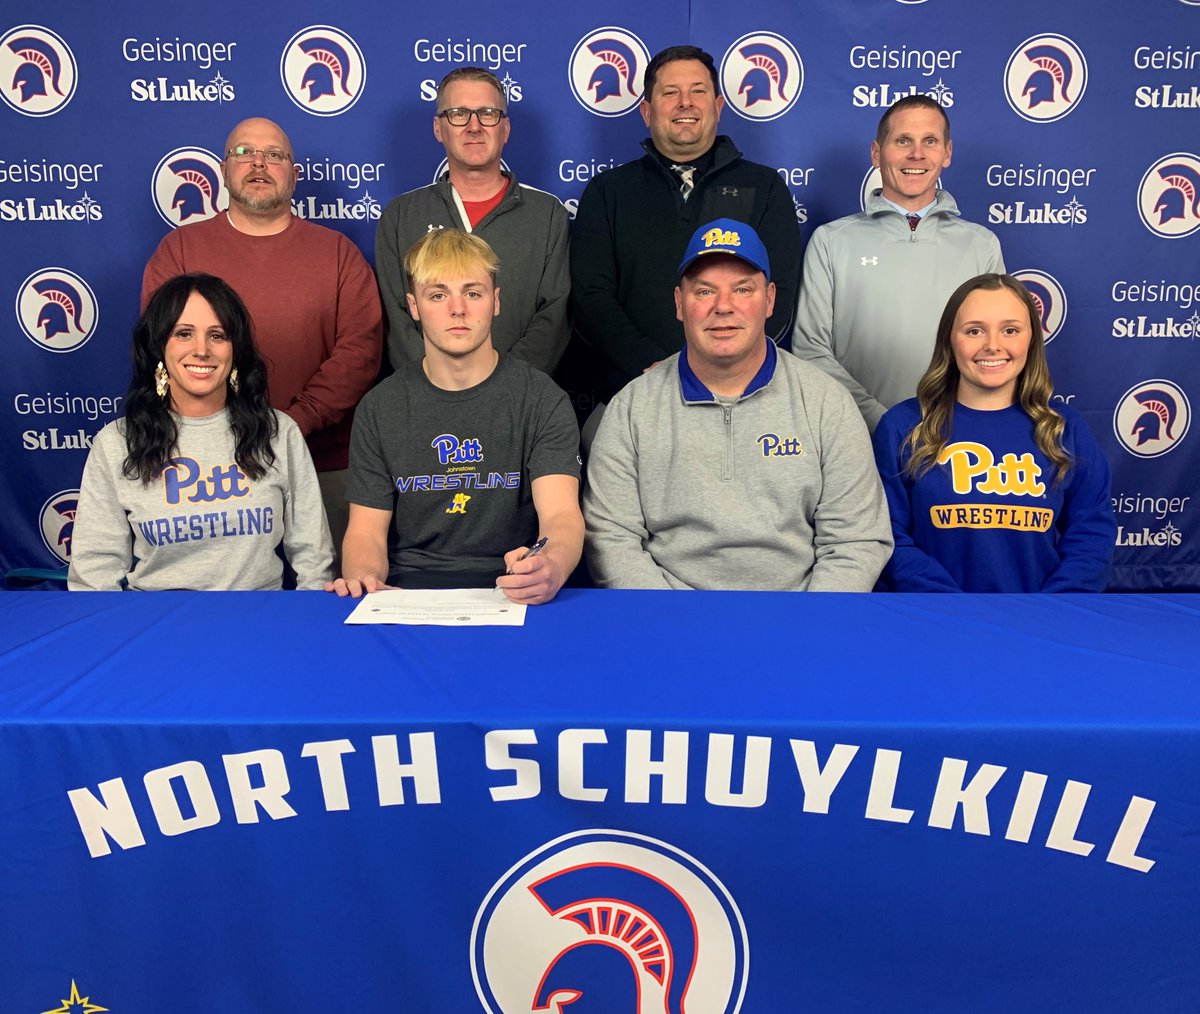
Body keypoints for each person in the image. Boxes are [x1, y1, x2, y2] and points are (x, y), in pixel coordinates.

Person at [583, 219, 892, 591]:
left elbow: (856, 540)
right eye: (704, 292)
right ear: (680, 303)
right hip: (670, 613)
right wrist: (670, 616)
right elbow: (610, 537)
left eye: (743, 289)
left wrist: (807, 618)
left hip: (797, 613)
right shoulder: (632, 407)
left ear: (770, 300)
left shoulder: (827, 403)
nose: (723, 307)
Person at [142, 116, 382, 556]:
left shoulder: (338, 253)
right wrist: (226, 435)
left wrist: (291, 425)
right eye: (244, 153)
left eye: (274, 155)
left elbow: (359, 351)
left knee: (330, 589)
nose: (258, 163)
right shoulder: (180, 251)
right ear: (223, 169)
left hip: (323, 464)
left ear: (294, 173)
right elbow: (163, 346)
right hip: (206, 472)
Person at [327, 229, 583, 603]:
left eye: (473, 293)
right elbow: (365, 532)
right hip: (408, 590)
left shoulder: (542, 398)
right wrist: (365, 579)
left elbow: (562, 517)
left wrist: (551, 565)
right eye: (438, 295)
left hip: (512, 587)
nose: (458, 309)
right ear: (413, 306)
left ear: (496, 301)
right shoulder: (380, 407)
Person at [68, 274, 334, 591]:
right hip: (156, 618)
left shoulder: (278, 432)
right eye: (184, 334)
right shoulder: (116, 442)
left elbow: (314, 560)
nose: (202, 350)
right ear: (159, 347)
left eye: (217, 336)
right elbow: (94, 572)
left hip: (258, 615)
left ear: (235, 350)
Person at [570, 45, 801, 404]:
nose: (685, 103)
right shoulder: (607, 191)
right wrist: (654, 367)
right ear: (646, 111)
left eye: (697, 91)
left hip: (740, 396)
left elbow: (778, 293)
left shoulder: (765, 187)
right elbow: (591, 297)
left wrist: (716, 370)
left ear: (718, 106)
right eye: (670, 93)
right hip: (632, 392)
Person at [871, 273, 1115, 592]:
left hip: (1039, 616)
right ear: (949, 340)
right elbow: (886, 536)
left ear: (1031, 339)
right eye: (974, 331)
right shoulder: (902, 426)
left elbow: (1091, 536)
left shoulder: (1065, 428)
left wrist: (1051, 607)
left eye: (1010, 330)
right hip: (932, 615)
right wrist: (950, 607)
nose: (993, 345)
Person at [792, 95, 1004, 431]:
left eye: (930, 141)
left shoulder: (981, 245)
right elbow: (811, 351)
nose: (916, 154)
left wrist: (951, 422)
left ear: (947, 153)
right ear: (876, 153)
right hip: (857, 437)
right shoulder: (831, 241)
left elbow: (995, 351)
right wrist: (883, 422)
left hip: (955, 436)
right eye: (903, 140)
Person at [375, 67, 569, 374]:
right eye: (458, 114)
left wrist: (507, 386)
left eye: (488, 113)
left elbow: (554, 316)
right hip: (424, 395)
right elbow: (395, 320)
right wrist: (437, 384)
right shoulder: (400, 216)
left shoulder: (547, 214)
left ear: (505, 129)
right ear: (438, 128)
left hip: (522, 395)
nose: (474, 126)